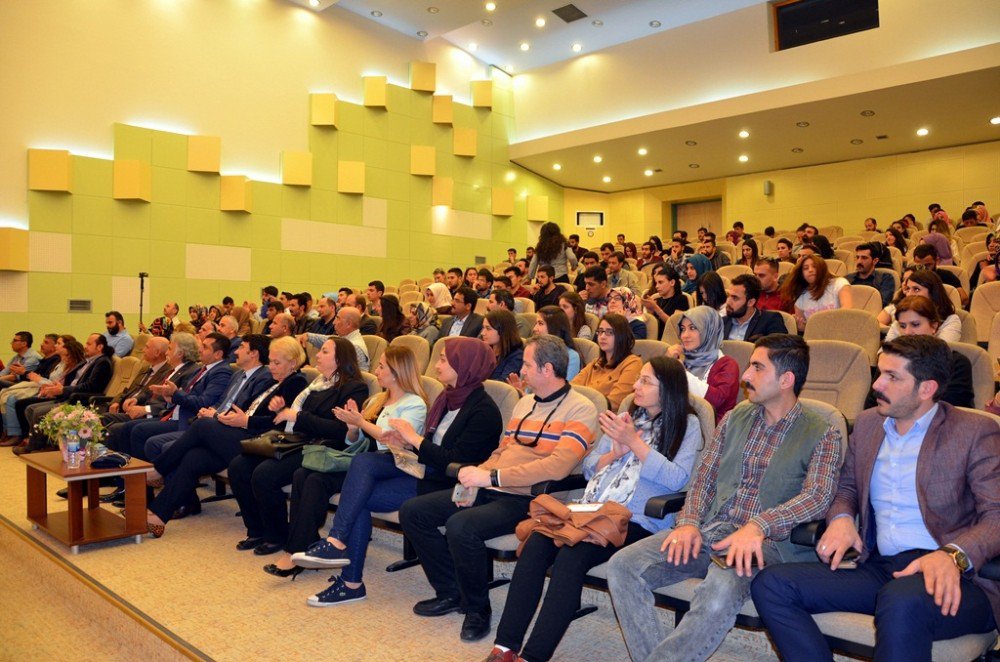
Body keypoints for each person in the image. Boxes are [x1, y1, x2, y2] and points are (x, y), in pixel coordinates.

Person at [752, 334, 1000, 661]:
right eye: (879, 373)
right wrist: (841, 519)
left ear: (927, 389)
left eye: (892, 377)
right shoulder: (869, 424)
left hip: (957, 578)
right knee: (771, 584)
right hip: (881, 568)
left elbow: (996, 515)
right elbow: (847, 489)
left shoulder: (974, 431)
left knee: (901, 601)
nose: (877, 385)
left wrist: (952, 555)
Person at [608, 334, 842, 662]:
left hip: (768, 545)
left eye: (758, 368)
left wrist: (760, 526)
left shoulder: (823, 431)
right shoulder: (735, 417)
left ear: (786, 380)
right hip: (713, 530)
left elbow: (818, 496)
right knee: (623, 566)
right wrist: (688, 523)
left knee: (716, 594)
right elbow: (703, 480)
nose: (745, 375)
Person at [487, 355, 701, 662]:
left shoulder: (687, 424)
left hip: (634, 520)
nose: (636, 387)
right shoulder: (628, 416)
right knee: (535, 544)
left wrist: (636, 446)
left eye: (645, 381)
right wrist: (614, 453)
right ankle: (505, 647)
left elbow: (677, 479)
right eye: (638, 378)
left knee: (571, 558)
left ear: (667, 389)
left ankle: (533, 656)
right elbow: (589, 468)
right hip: (591, 512)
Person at [399, 334, 599, 642]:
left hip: (530, 498)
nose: (522, 370)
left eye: (528, 364)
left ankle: (477, 610)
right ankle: (451, 591)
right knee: (414, 512)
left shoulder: (581, 409)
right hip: (494, 484)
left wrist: (492, 478)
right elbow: (502, 450)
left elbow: (557, 468)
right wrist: (478, 473)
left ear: (547, 370)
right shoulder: (524, 403)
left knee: (460, 526)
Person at [291, 339, 505, 608]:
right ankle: (350, 581)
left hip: (452, 483)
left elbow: (455, 462)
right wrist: (406, 443)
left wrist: (413, 440)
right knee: (359, 489)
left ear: (464, 366)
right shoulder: (447, 398)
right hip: (423, 469)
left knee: (364, 469)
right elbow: (430, 447)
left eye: (443, 359)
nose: (436, 365)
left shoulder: (483, 411)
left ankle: (341, 553)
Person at [264, 346, 434, 578]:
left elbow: (392, 442)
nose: (376, 369)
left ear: (396, 372)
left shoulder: (414, 403)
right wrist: (354, 428)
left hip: (387, 466)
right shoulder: (377, 399)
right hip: (361, 461)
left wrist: (361, 423)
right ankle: (303, 544)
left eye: (382, 366)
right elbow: (354, 440)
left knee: (318, 480)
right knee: (304, 474)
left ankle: (296, 551)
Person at [144, 336, 306, 537]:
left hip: (259, 441)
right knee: (194, 458)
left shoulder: (295, 383)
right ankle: (160, 515)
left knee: (203, 426)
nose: (271, 366)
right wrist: (236, 418)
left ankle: (159, 468)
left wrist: (245, 421)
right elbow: (250, 409)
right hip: (244, 433)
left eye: (276, 362)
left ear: (292, 363)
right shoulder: (275, 382)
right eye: (271, 361)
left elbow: (279, 423)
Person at [227, 337, 369, 554]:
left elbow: (340, 431)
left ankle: (277, 536)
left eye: (324, 351)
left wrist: (299, 416)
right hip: (297, 440)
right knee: (239, 466)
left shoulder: (354, 387)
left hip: (320, 447)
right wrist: (284, 411)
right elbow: (297, 417)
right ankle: (257, 530)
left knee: (265, 474)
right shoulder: (318, 383)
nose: (317, 355)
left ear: (340, 359)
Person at [13, 333, 116, 455]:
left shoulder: (103, 362)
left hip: (80, 400)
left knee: (38, 412)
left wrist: (63, 390)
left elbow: (91, 386)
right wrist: (58, 388)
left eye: (89, 344)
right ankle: (47, 443)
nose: (85, 346)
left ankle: (33, 447)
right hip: (70, 395)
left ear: (99, 347)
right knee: (30, 409)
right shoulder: (89, 361)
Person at [865, 296, 973, 409]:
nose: (907, 332)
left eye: (915, 324)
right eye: (902, 326)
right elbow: (872, 404)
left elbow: (951, 408)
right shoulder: (889, 359)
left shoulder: (957, 363)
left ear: (934, 326)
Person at [2, 335, 80, 447]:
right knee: (9, 396)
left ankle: (26, 438)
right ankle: (17, 434)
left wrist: (36, 378)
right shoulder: (59, 362)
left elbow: (60, 384)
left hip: (54, 393)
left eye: (58, 343)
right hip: (46, 389)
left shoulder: (69, 363)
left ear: (67, 347)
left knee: (21, 403)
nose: (42, 344)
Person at [667, 306, 740, 423]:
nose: (685, 335)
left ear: (709, 330)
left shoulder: (728, 365)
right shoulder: (683, 360)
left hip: (709, 432)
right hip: (676, 423)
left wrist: (680, 373)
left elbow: (715, 402)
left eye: (692, 328)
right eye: (683, 329)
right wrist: (666, 364)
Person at [571, 314, 642, 411]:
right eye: (600, 332)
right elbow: (571, 388)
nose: (602, 336)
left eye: (609, 332)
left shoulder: (632, 363)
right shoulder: (596, 362)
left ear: (622, 335)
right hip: (580, 411)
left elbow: (615, 403)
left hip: (606, 419)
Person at [882, 269, 960, 342]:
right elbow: (884, 351)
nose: (909, 294)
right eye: (908, 289)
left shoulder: (950, 320)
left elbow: (942, 353)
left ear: (932, 293)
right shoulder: (904, 316)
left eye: (916, 289)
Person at [783, 254, 852, 332]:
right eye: (806, 268)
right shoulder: (801, 296)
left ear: (822, 268)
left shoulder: (839, 283)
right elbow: (804, 329)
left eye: (814, 266)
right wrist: (801, 328)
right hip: (815, 337)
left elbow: (847, 311)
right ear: (802, 274)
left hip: (839, 332)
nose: (810, 270)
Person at [520, 306, 581, 383]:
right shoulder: (533, 350)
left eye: (540, 324)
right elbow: (524, 379)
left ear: (554, 327)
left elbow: (561, 387)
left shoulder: (572, 356)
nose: (535, 329)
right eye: (536, 323)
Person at [723, 274, 787, 342]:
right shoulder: (721, 322)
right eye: (728, 296)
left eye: (735, 298)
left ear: (751, 302)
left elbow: (782, 349)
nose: (728, 302)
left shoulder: (771, 320)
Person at [910, 243, 968, 307]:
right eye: (920, 266)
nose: (924, 269)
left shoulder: (947, 276)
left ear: (937, 261)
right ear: (914, 262)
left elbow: (964, 299)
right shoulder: (909, 276)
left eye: (928, 265)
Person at [846, 242, 896, 307]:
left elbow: (882, 303)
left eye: (864, 258)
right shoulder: (847, 279)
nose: (859, 261)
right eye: (857, 257)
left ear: (875, 261)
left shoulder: (885, 278)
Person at [641, 264, 690, 330]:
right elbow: (652, 327)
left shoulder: (682, 299)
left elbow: (674, 325)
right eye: (656, 283)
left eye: (660, 282)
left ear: (672, 282)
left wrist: (656, 308)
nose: (657, 286)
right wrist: (649, 310)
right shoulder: (658, 299)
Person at [481, 310, 524, 382]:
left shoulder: (516, 356)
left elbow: (503, 385)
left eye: (488, 328)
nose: (483, 333)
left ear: (503, 331)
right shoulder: (484, 349)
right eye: (483, 327)